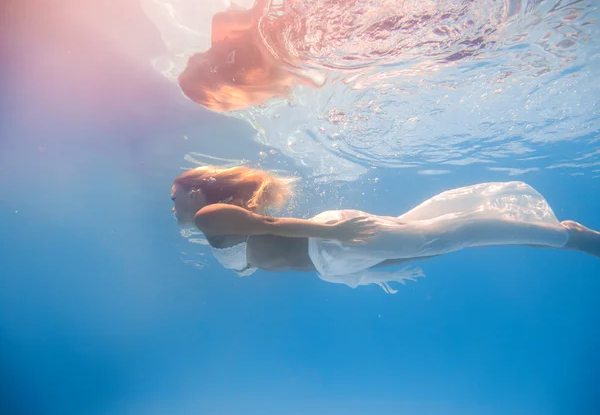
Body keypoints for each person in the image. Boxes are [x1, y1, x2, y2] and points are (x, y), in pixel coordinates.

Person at [170, 165, 599, 292]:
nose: (171, 206)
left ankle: (571, 237)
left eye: (175, 197)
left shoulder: (209, 218)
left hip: (333, 244)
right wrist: (364, 271)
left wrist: (335, 236)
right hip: (333, 261)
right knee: (437, 237)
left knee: (448, 236)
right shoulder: (208, 229)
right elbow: (269, 244)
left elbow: (269, 224)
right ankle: (551, 234)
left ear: (195, 193)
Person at [177, 0, 320, 112]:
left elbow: (312, 81)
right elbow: (253, 16)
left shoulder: (259, 83)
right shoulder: (223, 40)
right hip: (299, 23)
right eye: (190, 66)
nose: (191, 58)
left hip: (311, 40)